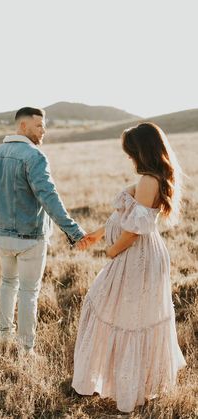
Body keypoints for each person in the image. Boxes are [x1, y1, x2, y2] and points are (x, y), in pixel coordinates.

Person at [72, 122, 187, 412]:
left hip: (137, 256)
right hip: (135, 255)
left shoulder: (150, 181)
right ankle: (128, 384)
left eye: (131, 152)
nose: (129, 157)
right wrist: (97, 235)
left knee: (129, 318)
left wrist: (111, 249)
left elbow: (135, 229)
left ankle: (132, 388)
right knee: (122, 314)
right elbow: (122, 218)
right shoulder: (149, 179)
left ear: (142, 151)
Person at [0, 106, 89, 355]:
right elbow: (48, 197)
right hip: (30, 237)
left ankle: (4, 337)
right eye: (39, 125)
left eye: (44, 125)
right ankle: (25, 348)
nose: (44, 130)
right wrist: (74, 231)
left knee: (7, 284)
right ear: (23, 126)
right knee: (29, 291)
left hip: (1, 235)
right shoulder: (34, 156)